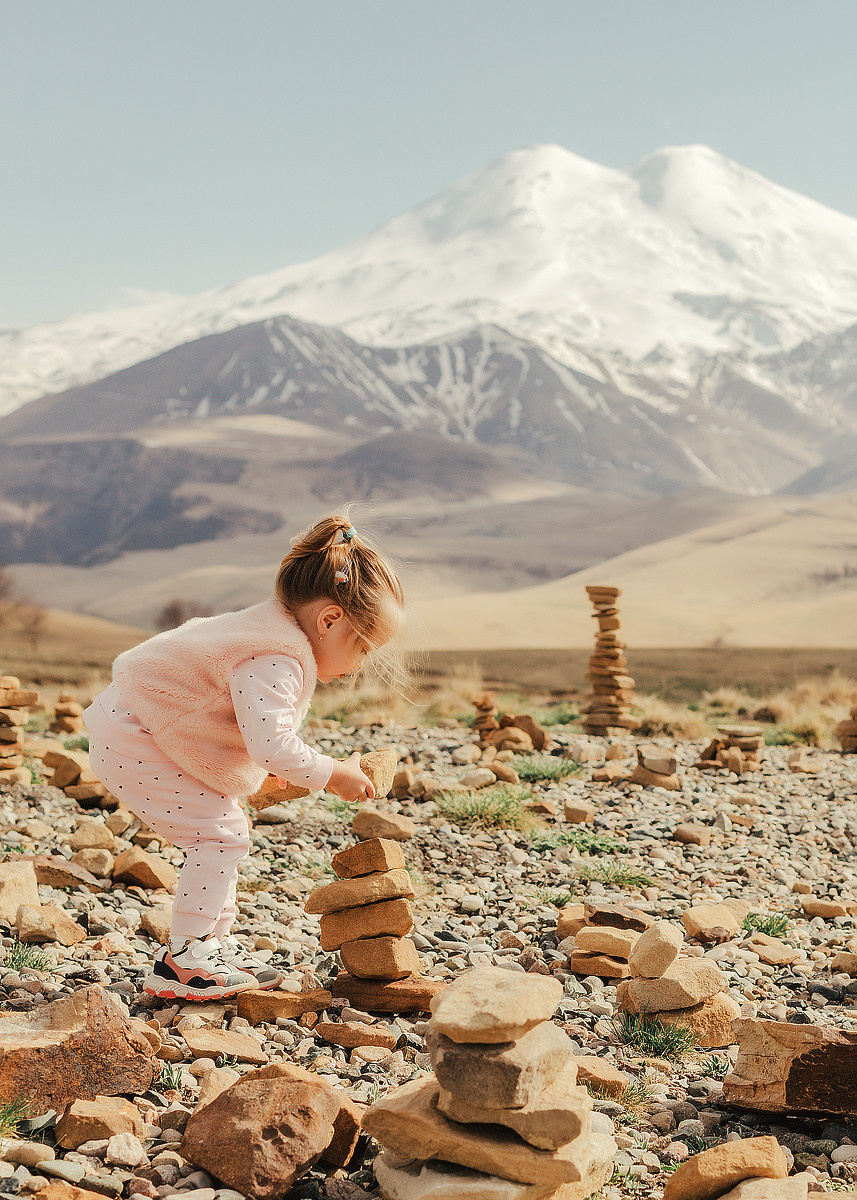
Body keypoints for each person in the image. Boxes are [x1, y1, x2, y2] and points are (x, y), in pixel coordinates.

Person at [84, 514, 404, 1001]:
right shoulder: (277, 657)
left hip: (138, 725)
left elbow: (232, 723)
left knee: (223, 831)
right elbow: (270, 743)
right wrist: (331, 774)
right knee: (219, 836)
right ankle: (185, 961)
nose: (361, 666)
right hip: (136, 735)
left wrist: (270, 774)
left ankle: (211, 947)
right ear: (330, 619)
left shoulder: (270, 633)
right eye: (362, 648)